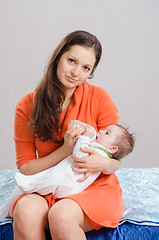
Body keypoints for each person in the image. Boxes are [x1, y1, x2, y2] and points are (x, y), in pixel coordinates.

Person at [12, 30, 126, 240]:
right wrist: (65, 150)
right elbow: (26, 168)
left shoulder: (99, 98)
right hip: (47, 185)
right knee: (25, 212)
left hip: (93, 187)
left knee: (61, 215)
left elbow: (113, 157)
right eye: (71, 61)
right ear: (58, 58)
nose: (75, 72)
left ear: (91, 72)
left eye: (85, 68)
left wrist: (105, 164)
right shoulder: (27, 105)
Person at [0, 120, 134, 219]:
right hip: (64, 178)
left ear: (112, 149)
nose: (100, 130)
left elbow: (79, 155)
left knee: (39, 182)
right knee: (33, 182)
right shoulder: (99, 146)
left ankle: (30, 185)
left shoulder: (101, 152)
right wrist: (89, 133)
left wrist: (85, 138)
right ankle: (7, 208)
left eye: (106, 132)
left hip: (68, 184)